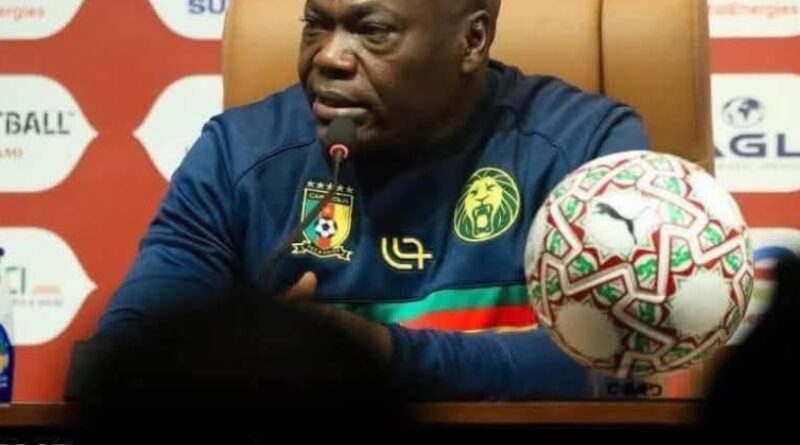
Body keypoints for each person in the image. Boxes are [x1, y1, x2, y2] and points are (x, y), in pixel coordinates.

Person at [94, 0, 651, 401]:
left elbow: (624, 361)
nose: (329, 56)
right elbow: (123, 357)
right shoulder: (238, 154)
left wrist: (386, 356)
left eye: (372, 31)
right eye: (315, 25)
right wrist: (254, 347)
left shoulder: (585, 147)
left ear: (472, 40)